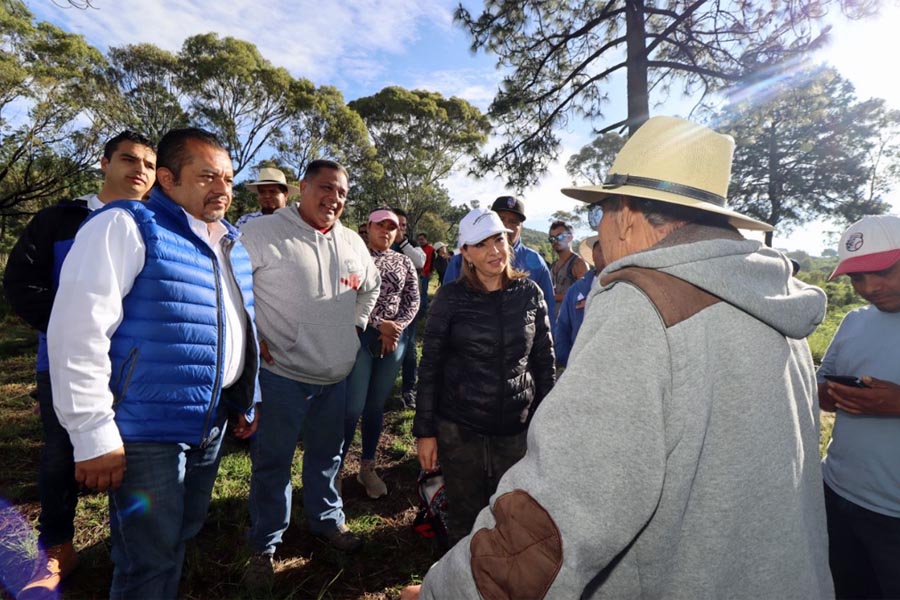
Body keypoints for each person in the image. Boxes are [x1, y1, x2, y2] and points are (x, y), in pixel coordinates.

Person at [402, 116, 832, 599]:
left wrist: (446, 593)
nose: (600, 234)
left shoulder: (642, 305)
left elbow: (552, 522)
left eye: (598, 214)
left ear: (625, 214)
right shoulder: (778, 302)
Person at [47, 128, 260, 599]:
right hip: (145, 430)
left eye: (227, 177)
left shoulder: (230, 243)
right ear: (167, 178)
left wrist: (248, 397)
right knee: (149, 555)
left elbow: (241, 326)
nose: (222, 188)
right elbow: (77, 332)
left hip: (210, 420)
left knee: (180, 531)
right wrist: (91, 431)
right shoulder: (126, 225)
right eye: (207, 176)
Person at [3, 131, 156, 599]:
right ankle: (57, 546)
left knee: (136, 455)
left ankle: (131, 546)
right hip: (65, 362)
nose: (140, 170)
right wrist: (75, 330)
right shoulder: (61, 219)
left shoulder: (156, 224)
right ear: (105, 162)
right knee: (60, 451)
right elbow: (21, 283)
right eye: (129, 159)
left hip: (138, 368)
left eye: (150, 164)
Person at [240, 159, 380, 586]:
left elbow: (370, 287)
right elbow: (229, 285)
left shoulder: (353, 242)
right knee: (273, 462)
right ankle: (264, 544)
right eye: (325, 188)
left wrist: (355, 327)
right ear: (302, 187)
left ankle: (326, 520)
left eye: (341, 192)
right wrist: (248, 334)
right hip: (281, 374)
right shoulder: (260, 233)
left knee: (327, 457)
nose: (333, 198)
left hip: (334, 376)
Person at [413, 207, 555, 546]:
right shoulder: (450, 298)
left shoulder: (530, 293)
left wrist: (546, 426)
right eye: (480, 244)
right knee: (465, 520)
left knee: (514, 519)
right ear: (466, 253)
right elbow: (429, 365)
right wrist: (425, 432)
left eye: (498, 239)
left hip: (516, 432)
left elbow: (544, 362)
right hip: (460, 431)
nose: (493, 250)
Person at [817, 214, 900, 599]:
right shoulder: (853, 321)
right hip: (836, 492)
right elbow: (822, 384)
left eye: (883, 271)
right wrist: (834, 394)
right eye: (857, 277)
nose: (870, 288)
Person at [342, 209, 419, 499]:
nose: (386, 232)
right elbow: (346, 295)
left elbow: (413, 299)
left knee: (375, 406)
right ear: (368, 227)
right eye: (380, 226)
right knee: (352, 407)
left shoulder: (404, 261)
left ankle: (367, 467)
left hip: (393, 341)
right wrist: (378, 325)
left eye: (392, 228)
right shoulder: (354, 256)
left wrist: (396, 328)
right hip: (360, 337)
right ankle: (334, 469)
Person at [442, 196, 556, 326]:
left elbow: (548, 314)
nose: (507, 225)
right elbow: (446, 307)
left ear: (521, 227)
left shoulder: (536, 262)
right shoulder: (462, 259)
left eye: (514, 222)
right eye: (501, 219)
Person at [392, 208, 426, 409]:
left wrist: (403, 242)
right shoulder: (379, 244)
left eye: (403, 225)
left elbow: (420, 261)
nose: (400, 228)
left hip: (406, 310)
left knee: (409, 349)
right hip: (382, 312)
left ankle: (408, 390)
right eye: (396, 223)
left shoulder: (410, 245)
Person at [554, 235, 605, 367]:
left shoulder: (629, 287)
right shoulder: (575, 290)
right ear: (593, 254)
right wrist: (568, 361)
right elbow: (563, 328)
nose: (606, 253)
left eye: (610, 247)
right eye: (601, 249)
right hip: (577, 367)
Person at [548, 220, 589, 316]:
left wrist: (555, 297)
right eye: (552, 239)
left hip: (571, 323)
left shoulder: (578, 263)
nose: (555, 241)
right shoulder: (554, 265)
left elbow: (584, 295)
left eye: (560, 237)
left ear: (570, 238)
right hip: (553, 323)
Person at [417, 232, 435, 313]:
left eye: (422, 239)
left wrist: (425, 272)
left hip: (425, 273)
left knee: (423, 292)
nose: (421, 241)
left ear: (426, 239)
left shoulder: (430, 249)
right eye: (419, 239)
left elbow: (430, 262)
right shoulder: (418, 248)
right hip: (418, 273)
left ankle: (423, 310)